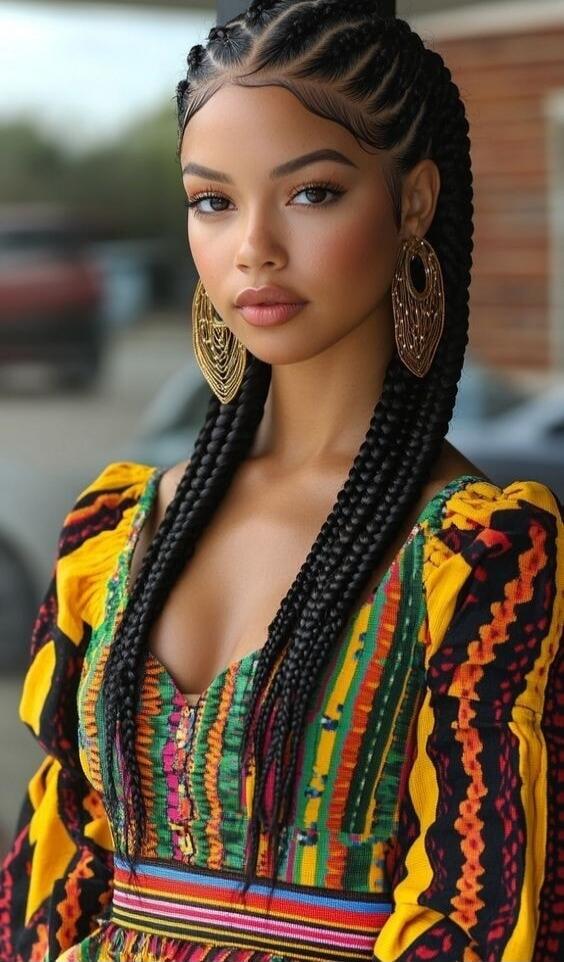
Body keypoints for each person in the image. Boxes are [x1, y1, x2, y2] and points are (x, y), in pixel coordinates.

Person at [1, 1, 562, 960]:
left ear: (414, 201)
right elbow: (57, 867)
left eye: (310, 193)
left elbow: (484, 923)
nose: (252, 245)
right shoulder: (120, 527)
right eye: (213, 200)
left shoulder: (479, 553)